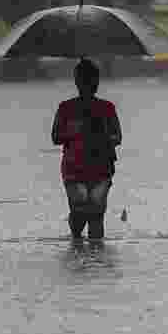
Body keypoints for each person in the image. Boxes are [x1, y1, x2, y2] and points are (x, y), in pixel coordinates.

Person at [51, 58, 122, 240]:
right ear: (77, 82)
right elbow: (56, 137)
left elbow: (117, 137)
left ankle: (95, 262)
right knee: (80, 208)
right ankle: (76, 240)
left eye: (94, 80)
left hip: (101, 169)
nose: (91, 84)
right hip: (74, 170)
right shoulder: (66, 108)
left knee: (97, 215)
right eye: (86, 80)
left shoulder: (107, 108)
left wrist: (103, 135)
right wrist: (76, 131)